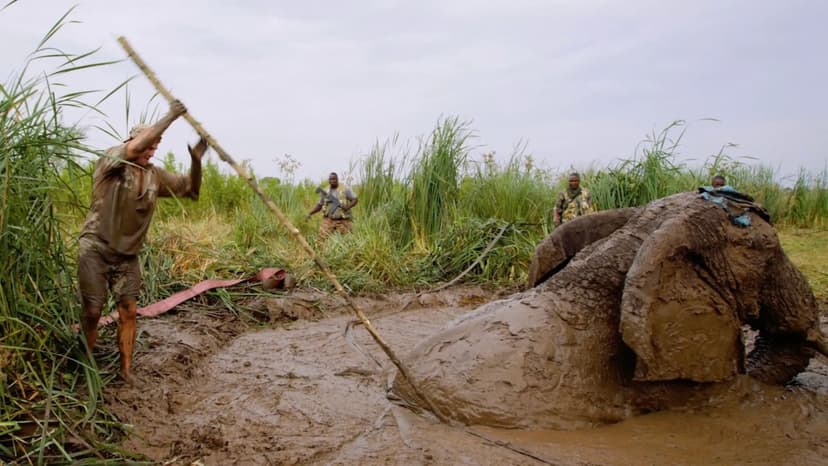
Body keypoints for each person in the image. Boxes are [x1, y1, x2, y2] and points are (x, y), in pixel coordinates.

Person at [77, 100, 207, 384]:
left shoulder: (154, 176)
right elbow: (135, 149)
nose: (151, 151)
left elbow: (191, 191)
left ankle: (125, 371)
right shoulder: (112, 161)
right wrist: (170, 116)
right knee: (93, 311)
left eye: (154, 147)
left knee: (129, 311)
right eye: (147, 145)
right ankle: (85, 365)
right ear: (132, 141)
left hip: (127, 256)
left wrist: (197, 160)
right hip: (96, 249)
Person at [306, 172, 358, 242]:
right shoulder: (325, 191)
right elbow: (319, 205)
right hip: (328, 220)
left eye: (334, 179)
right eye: (331, 179)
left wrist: (348, 207)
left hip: (343, 220)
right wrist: (310, 213)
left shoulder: (345, 189)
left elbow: (355, 199)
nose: (333, 181)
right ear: (329, 180)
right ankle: (321, 252)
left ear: (337, 179)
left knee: (349, 240)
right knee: (321, 240)